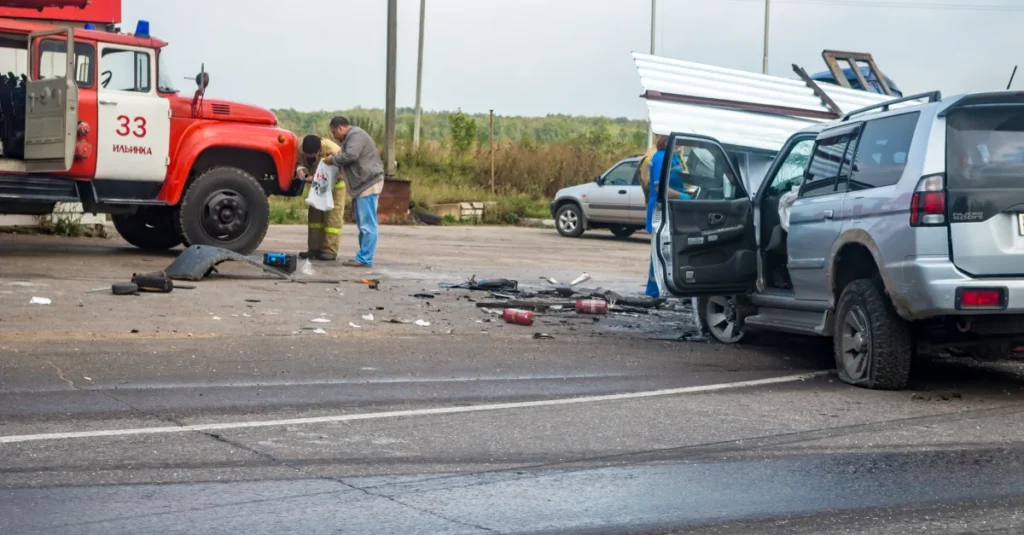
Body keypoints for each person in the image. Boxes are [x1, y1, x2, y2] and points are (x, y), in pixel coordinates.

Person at [323, 116, 385, 268]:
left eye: (333, 132)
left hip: (368, 183)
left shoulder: (356, 136)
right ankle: (363, 256)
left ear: (339, 128)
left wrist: (333, 161)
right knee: (363, 224)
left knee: (368, 224)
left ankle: (365, 258)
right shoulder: (350, 139)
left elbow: (351, 156)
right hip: (362, 185)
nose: (333, 136)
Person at [646, 135, 690, 298]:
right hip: (662, 208)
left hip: (673, 208)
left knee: (670, 249)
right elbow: (660, 188)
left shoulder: (673, 158)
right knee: (660, 250)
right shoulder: (661, 158)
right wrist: (682, 196)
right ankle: (654, 291)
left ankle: (668, 288)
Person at [296, 135, 343, 261]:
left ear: (319, 150)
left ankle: (329, 250)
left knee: (332, 218)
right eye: (308, 155)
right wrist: (301, 171)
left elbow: (342, 168)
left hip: (335, 185)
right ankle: (314, 249)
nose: (310, 158)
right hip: (317, 185)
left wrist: (317, 177)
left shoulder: (332, 149)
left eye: (313, 155)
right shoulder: (300, 149)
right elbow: (299, 163)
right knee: (315, 218)